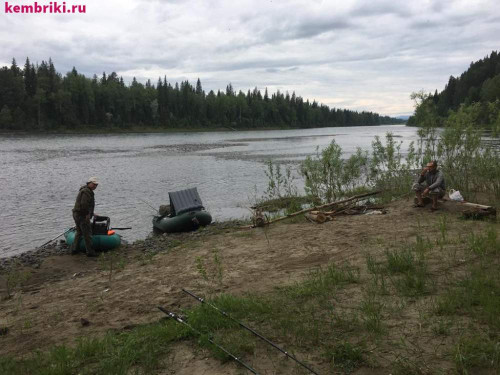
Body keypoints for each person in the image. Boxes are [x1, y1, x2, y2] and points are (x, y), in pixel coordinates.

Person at [70, 177, 99, 256]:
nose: (95, 186)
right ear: (89, 183)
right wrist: (87, 214)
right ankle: (90, 252)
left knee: (79, 232)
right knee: (87, 233)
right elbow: (84, 205)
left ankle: (74, 249)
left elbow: (85, 205)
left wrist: (92, 213)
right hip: (81, 215)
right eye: (93, 184)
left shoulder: (86, 190)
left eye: (96, 185)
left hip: (77, 213)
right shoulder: (86, 192)